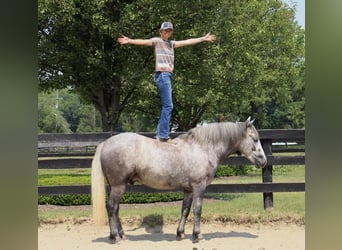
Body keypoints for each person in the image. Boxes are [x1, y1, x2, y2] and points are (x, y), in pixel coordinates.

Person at [118, 21, 216, 142]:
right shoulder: (157, 42)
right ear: (161, 32)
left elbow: (186, 42)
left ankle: (161, 133)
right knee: (168, 105)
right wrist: (129, 40)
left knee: (167, 105)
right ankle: (163, 135)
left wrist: (203, 38)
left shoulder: (171, 44)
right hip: (162, 75)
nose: (167, 32)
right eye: (166, 30)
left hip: (167, 75)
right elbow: (144, 42)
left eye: (170, 31)